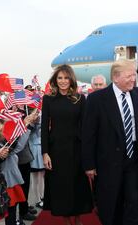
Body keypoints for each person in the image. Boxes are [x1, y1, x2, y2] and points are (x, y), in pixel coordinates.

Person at [82, 59, 138, 225]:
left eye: (133, 76)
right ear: (115, 77)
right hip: (107, 161)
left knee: (133, 201)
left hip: (134, 157)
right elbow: (88, 134)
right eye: (129, 76)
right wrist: (89, 164)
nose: (133, 80)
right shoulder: (97, 99)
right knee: (111, 203)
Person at [41, 64, 93, 225]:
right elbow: (44, 128)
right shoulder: (48, 99)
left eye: (66, 77)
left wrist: (87, 153)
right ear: (55, 80)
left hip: (76, 149)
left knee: (77, 186)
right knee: (60, 187)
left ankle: (78, 219)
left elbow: (85, 127)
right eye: (60, 78)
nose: (63, 81)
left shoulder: (80, 99)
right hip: (56, 151)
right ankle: (66, 220)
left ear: (71, 79)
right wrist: (45, 153)